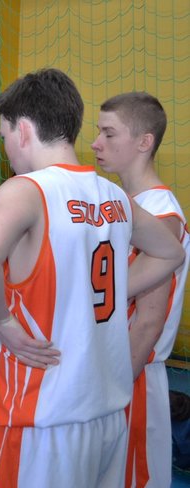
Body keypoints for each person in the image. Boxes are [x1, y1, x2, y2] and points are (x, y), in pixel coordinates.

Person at [0, 68, 185, 488]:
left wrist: (3, 323)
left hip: (40, 414)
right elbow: (171, 252)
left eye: (4, 134)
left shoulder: (26, 189)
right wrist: (105, 291)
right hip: (104, 415)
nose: (6, 146)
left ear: (23, 130)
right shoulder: (114, 195)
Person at [91, 91, 190, 487]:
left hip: (133, 375)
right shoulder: (126, 204)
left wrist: (111, 395)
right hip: (114, 369)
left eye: (109, 133)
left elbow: (148, 322)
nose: (96, 143)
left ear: (144, 142)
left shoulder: (161, 214)